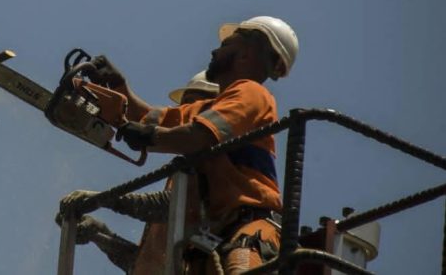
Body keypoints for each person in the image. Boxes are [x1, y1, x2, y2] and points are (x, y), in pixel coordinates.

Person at [61, 16, 299, 274]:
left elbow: (197, 137)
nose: (214, 50)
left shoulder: (252, 93)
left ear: (245, 54)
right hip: (213, 239)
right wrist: (118, 86)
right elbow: (147, 117)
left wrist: (150, 137)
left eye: (227, 44)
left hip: (246, 230)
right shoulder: (207, 109)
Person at [57, 72, 219, 273]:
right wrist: (99, 234)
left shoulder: (219, 163)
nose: (184, 112)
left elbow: (165, 207)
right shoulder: (181, 173)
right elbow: (143, 265)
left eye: (194, 104)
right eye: (183, 105)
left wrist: (103, 199)